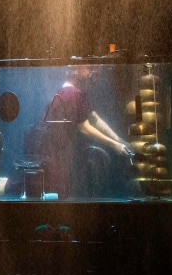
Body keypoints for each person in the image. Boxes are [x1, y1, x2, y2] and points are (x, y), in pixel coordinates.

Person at [43, 64, 131, 198]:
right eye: (89, 68)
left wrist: (119, 140)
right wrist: (114, 144)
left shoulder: (70, 93)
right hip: (67, 158)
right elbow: (84, 128)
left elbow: (95, 119)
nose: (92, 71)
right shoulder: (73, 94)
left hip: (65, 156)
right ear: (75, 70)